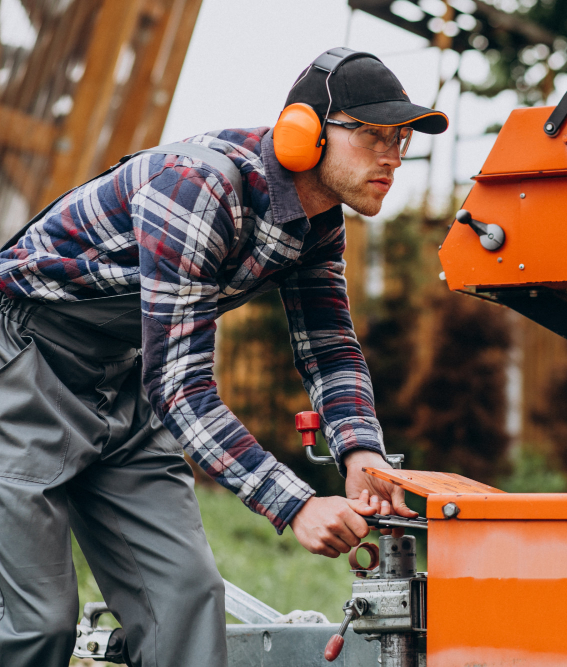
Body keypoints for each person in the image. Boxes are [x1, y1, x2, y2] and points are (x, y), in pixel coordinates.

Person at [0, 48, 447, 667]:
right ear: (305, 134)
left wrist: (360, 452)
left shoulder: (318, 224)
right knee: (38, 625)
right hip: (25, 364)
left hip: (122, 375)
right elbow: (180, 388)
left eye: (400, 138)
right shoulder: (199, 187)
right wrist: (295, 504)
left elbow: (330, 349)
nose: (393, 156)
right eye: (371, 134)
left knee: (185, 600)